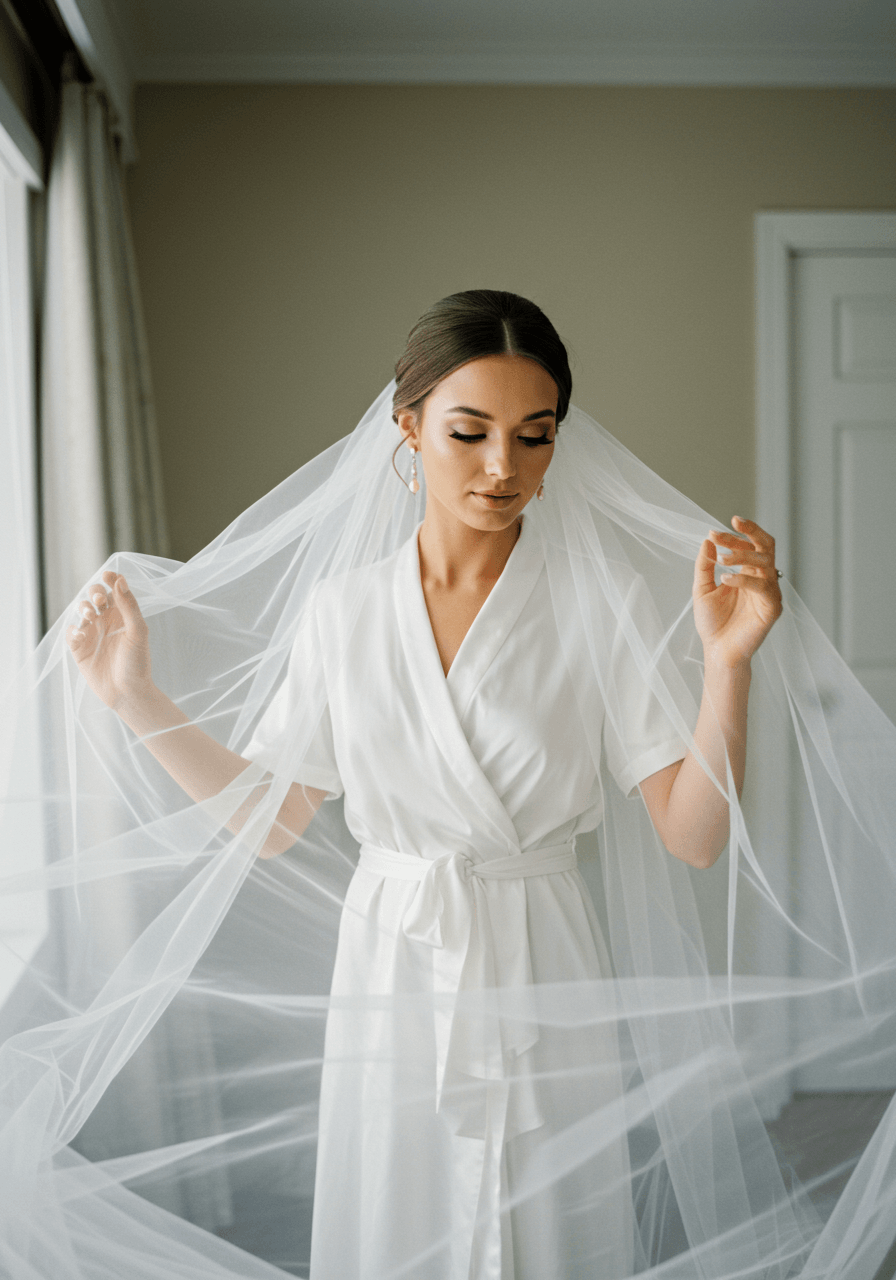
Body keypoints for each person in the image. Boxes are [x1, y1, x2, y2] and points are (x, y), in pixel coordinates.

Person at [3, 291, 895, 1278]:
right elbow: (269, 822)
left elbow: (690, 835)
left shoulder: (594, 599)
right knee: (400, 1222)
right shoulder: (342, 612)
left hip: (540, 955)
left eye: (533, 436)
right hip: (391, 964)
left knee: (550, 1229)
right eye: (468, 431)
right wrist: (135, 697)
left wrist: (726, 662)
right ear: (408, 427)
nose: (501, 466)